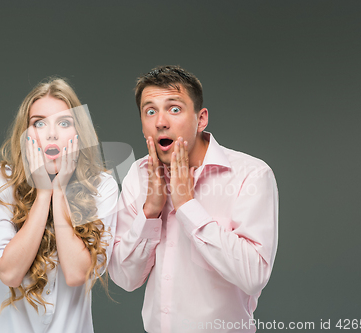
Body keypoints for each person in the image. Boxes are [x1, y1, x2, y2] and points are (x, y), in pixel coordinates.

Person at [108, 66, 279, 333]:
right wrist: (150, 212)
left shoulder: (252, 174)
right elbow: (124, 278)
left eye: (174, 109)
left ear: (201, 119)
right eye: (150, 111)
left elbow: (254, 276)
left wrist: (187, 205)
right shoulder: (138, 175)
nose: (160, 121)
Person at [0, 78, 118, 333]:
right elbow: (9, 273)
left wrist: (60, 190)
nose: (51, 133)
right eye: (39, 123)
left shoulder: (102, 187)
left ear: (78, 134)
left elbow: (76, 274)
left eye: (64, 123)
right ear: (26, 134)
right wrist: (43, 193)